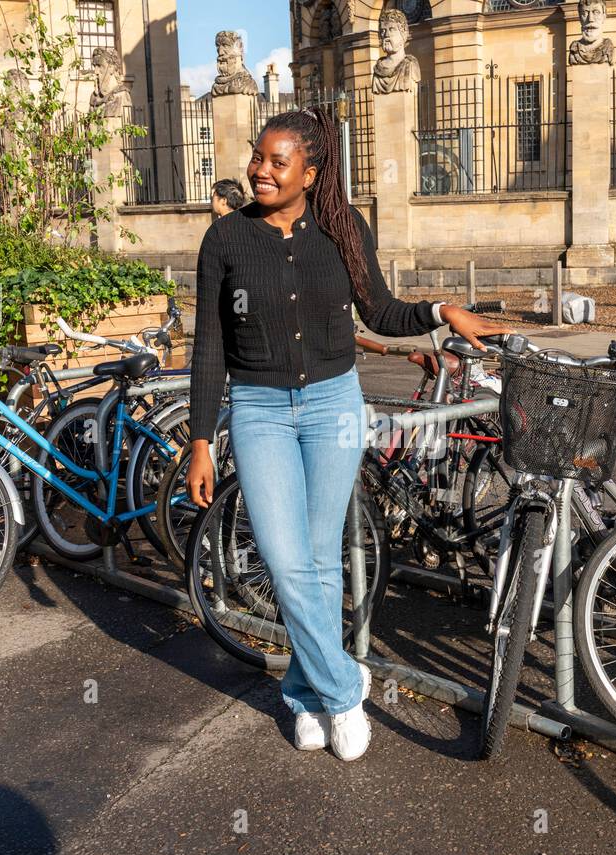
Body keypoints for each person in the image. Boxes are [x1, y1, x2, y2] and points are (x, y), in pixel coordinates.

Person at [186, 108, 509, 761]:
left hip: (334, 403)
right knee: (282, 559)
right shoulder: (225, 241)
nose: (260, 170)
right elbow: (209, 344)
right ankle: (343, 688)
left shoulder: (342, 229)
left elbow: (381, 310)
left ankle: (304, 693)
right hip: (259, 409)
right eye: (258, 157)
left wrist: (441, 312)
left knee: (317, 554)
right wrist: (198, 437)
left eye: (278, 162)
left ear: (311, 170)